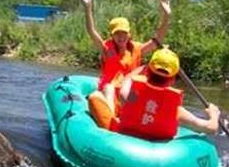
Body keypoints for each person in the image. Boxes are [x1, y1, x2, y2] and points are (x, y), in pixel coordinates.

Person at [88, 47, 221, 139]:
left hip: (122, 137)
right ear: (173, 79)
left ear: (148, 72)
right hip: (156, 149)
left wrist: (143, 68)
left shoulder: (130, 95)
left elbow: (127, 80)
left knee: (96, 96)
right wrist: (214, 114)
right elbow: (211, 128)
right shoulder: (176, 110)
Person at [78, 0, 171, 114]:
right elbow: (91, 31)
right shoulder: (106, 49)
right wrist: (87, 8)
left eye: (124, 33)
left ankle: (140, 119)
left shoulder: (137, 49)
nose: (121, 37)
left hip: (127, 95)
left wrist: (166, 16)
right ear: (112, 35)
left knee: (142, 94)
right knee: (110, 87)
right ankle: (110, 120)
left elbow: (158, 40)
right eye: (117, 33)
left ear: (129, 34)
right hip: (108, 94)